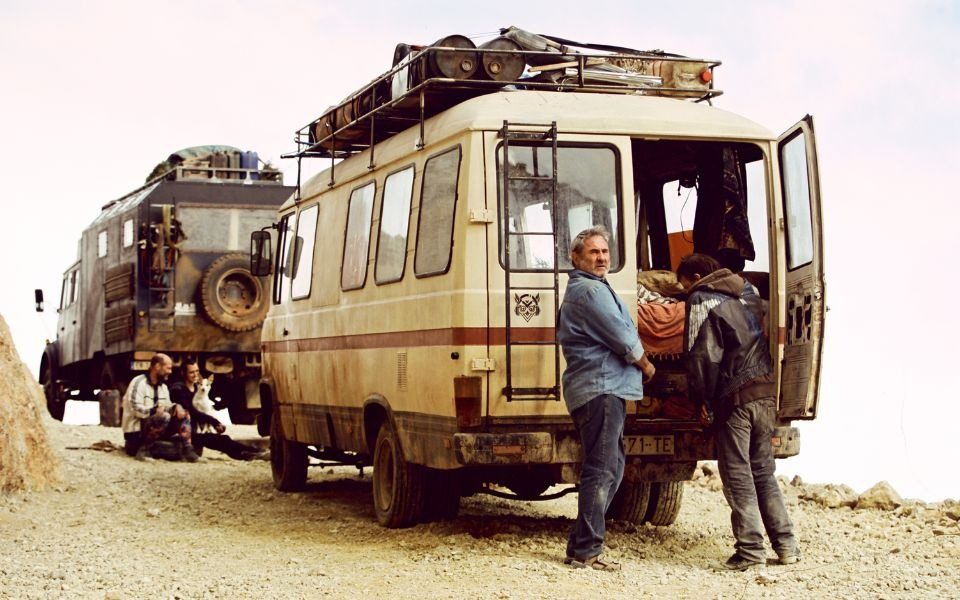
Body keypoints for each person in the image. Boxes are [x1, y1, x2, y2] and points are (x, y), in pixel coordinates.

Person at [676, 253, 799, 570]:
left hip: (735, 396)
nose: (683, 290)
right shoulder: (748, 290)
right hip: (765, 391)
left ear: (694, 276)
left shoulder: (701, 297)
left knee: (738, 475)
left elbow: (700, 355)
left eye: (683, 284)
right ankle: (787, 546)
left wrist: (702, 400)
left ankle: (750, 551)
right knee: (763, 472)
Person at [557, 226, 656, 571]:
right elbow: (623, 337)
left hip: (603, 388)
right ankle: (586, 549)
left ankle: (581, 544)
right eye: (593, 252)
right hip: (600, 389)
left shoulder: (593, 288)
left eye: (604, 252)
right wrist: (646, 365)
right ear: (576, 257)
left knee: (611, 466)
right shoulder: (588, 292)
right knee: (601, 468)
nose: (601, 258)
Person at [169, 360, 267, 461]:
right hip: (186, 433)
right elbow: (192, 412)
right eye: (191, 372)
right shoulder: (178, 390)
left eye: (197, 372)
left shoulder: (198, 387)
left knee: (223, 439)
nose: (195, 375)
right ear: (183, 373)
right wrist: (214, 422)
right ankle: (248, 454)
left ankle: (251, 452)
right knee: (221, 440)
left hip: (198, 430)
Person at [121, 353, 200, 462]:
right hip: (137, 432)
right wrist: (153, 411)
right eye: (168, 368)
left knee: (183, 413)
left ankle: (187, 450)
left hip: (157, 432)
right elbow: (135, 409)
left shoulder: (163, 387)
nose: (170, 372)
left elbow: (167, 405)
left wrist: (175, 407)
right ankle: (144, 451)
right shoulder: (138, 382)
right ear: (158, 366)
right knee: (163, 416)